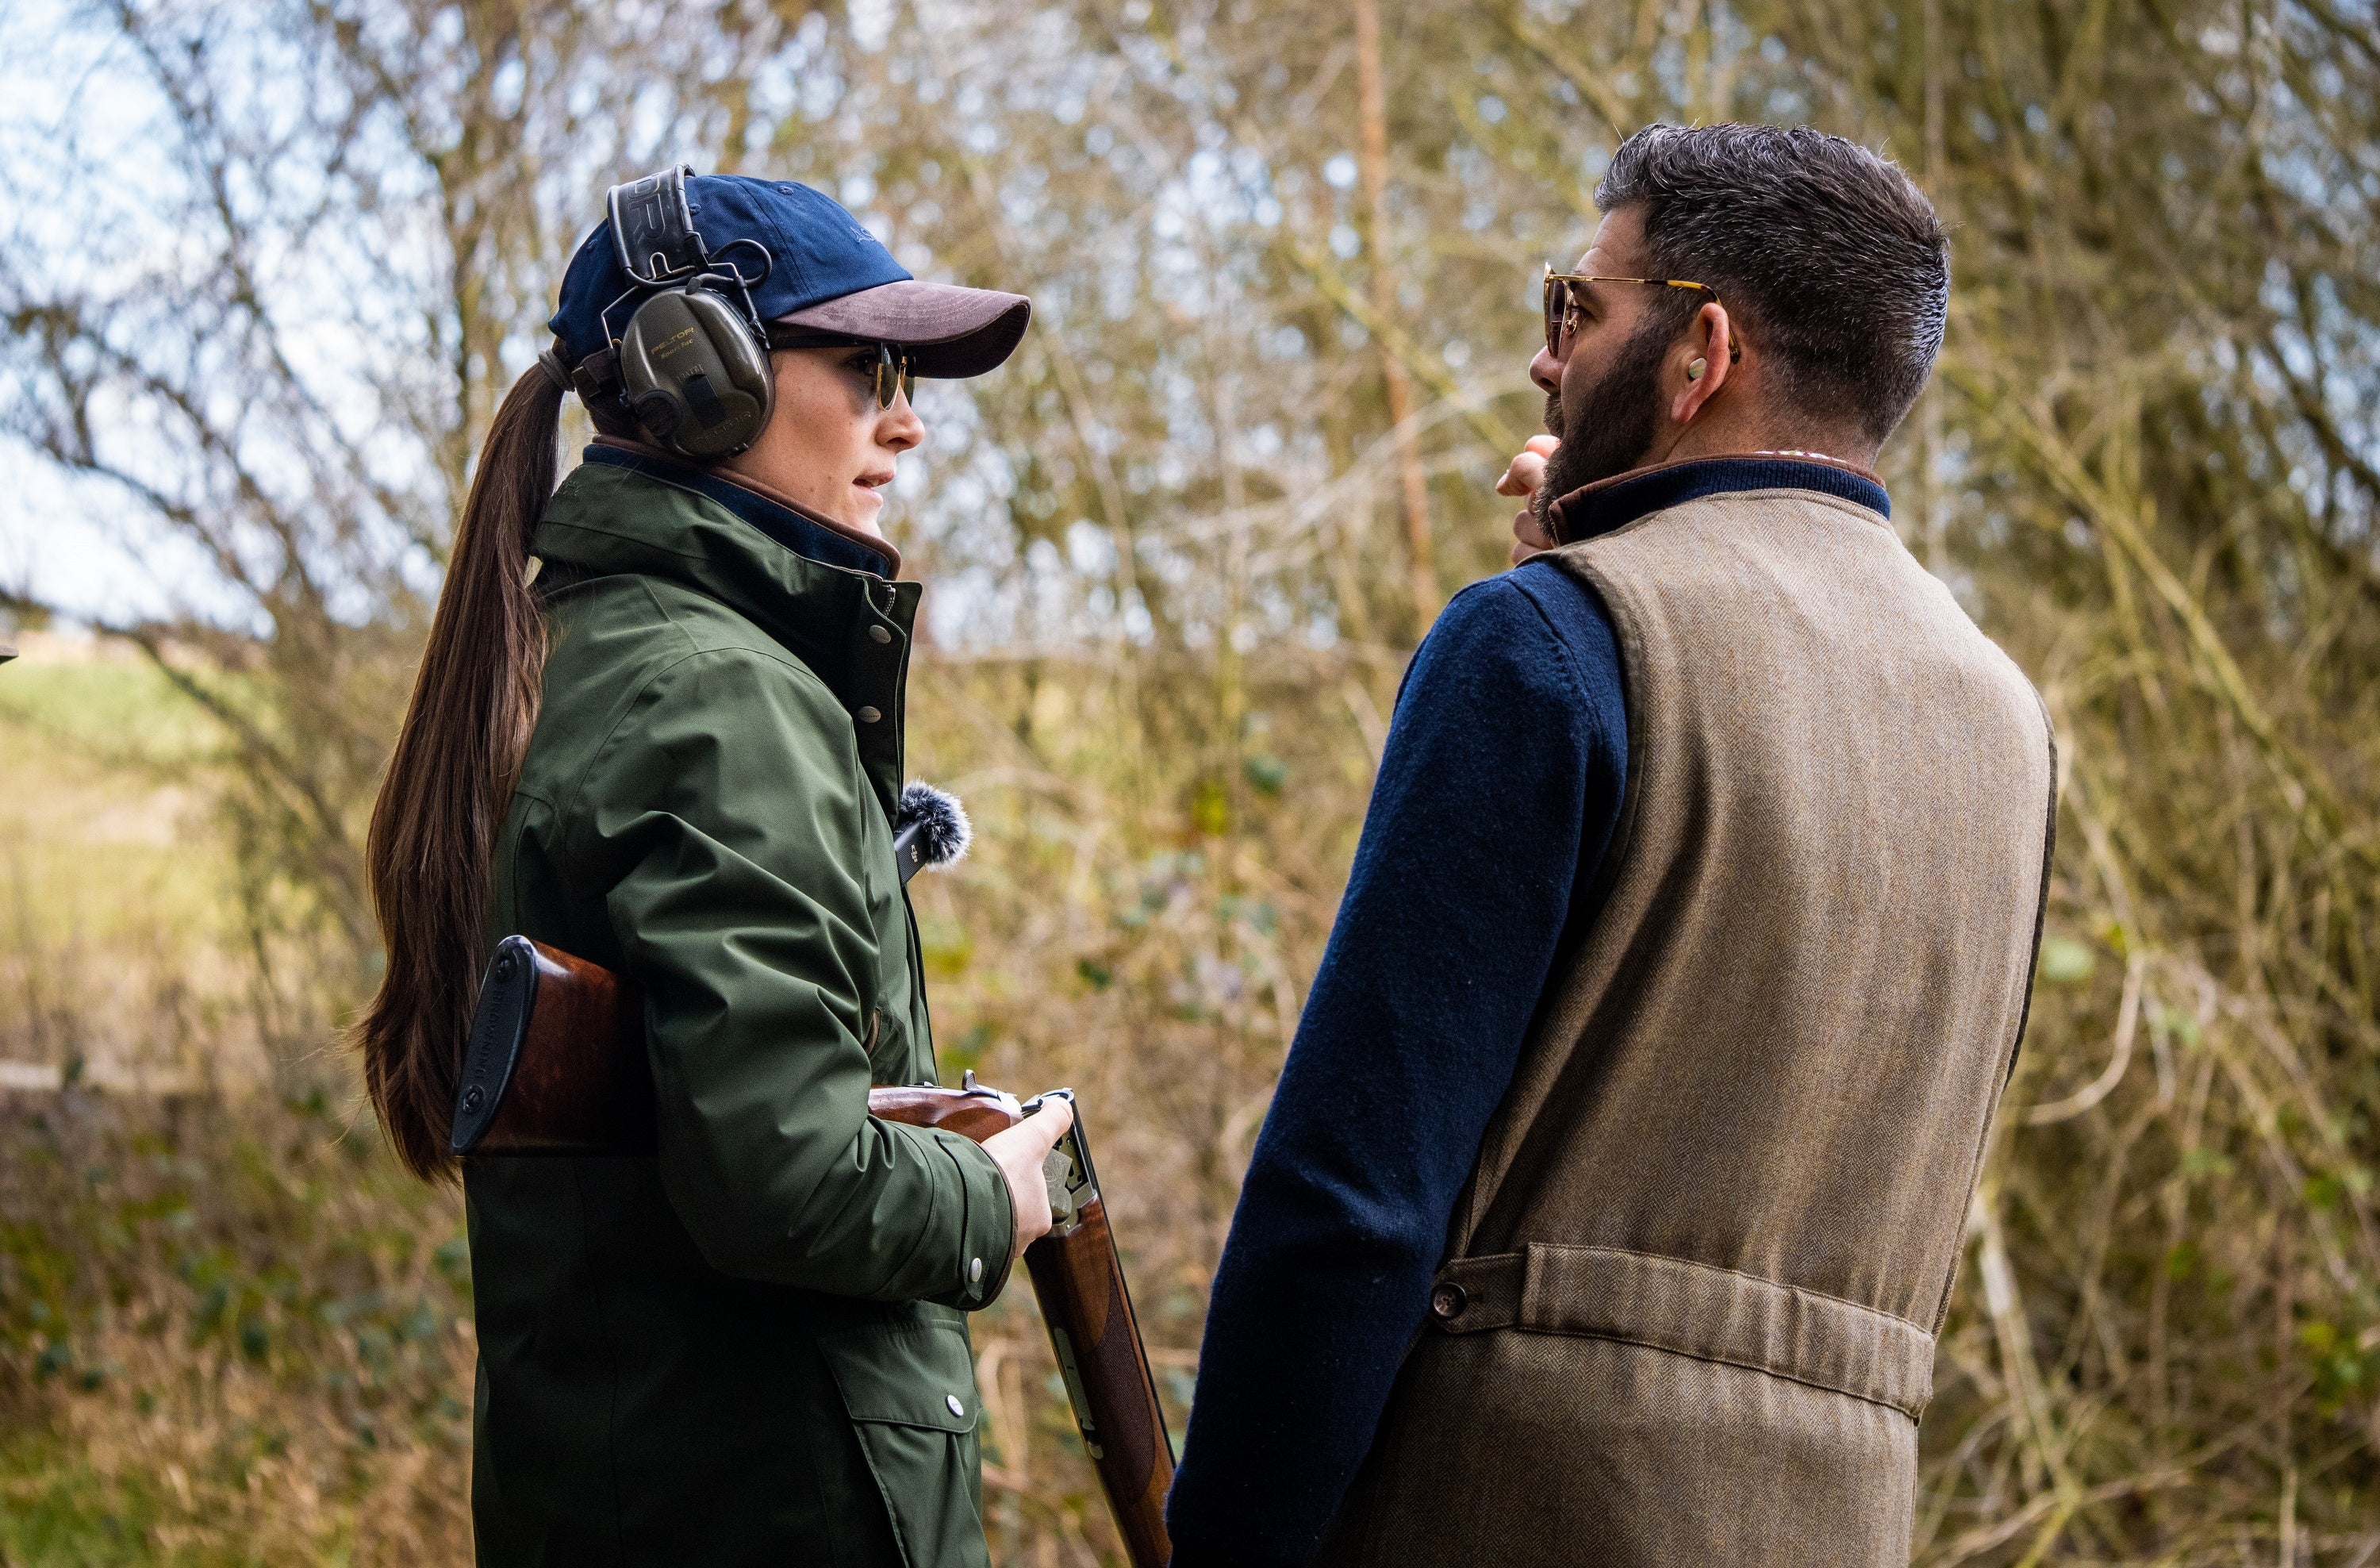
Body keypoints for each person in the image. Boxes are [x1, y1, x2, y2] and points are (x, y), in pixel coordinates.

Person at [1165, 123, 2057, 1566]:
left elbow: (1355, 1206)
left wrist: (1229, 1543)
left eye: (1577, 309)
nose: (1547, 359)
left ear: (1701, 354)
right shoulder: (2011, 723)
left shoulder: (1544, 645)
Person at [352, 169, 1073, 1567]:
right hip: (772, 1506)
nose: (907, 421)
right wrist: (997, 1197)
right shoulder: (719, 700)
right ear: (702, 377)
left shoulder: (599, 661)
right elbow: (788, 1179)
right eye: (868, 369)